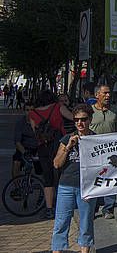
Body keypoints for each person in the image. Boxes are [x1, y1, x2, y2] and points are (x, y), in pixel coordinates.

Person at [51, 104, 97, 253]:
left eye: (83, 119)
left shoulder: (96, 139)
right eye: (76, 120)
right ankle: (57, 250)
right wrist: (68, 147)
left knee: (86, 223)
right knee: (61, 222)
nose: (79, 123)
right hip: (66, 185)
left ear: (90, 119)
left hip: (87, 187)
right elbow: (57, 164)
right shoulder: (67, 138)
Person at [29, 90, 73, 219]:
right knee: (61, 174)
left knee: (47, 177)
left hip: (43, 146)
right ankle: (62, 205)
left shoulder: (33, 113)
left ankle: (49, 208)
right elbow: (73, 117)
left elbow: (35, 131)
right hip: (59, 144)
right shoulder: (58, 107)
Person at [89, 85, 117, 219]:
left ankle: (109, 207)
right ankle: (93, 205)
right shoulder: (89, 111)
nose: (108, 96)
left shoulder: (115, 110)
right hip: (93, 151)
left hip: (110, 151)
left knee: (111, 179)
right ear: (97, 95)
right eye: (105, 93)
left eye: (109, 93)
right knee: (94, 180)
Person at [13, 110, 39, 177]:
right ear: (24, 111)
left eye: (32, 110)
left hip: (36, 148)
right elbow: (17, 142)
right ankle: (16, 185)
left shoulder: (38, 121)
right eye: (27, 110)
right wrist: (25, 152)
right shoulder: (20, 123)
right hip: (24, 147)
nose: (29, 112)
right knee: (16, 162)